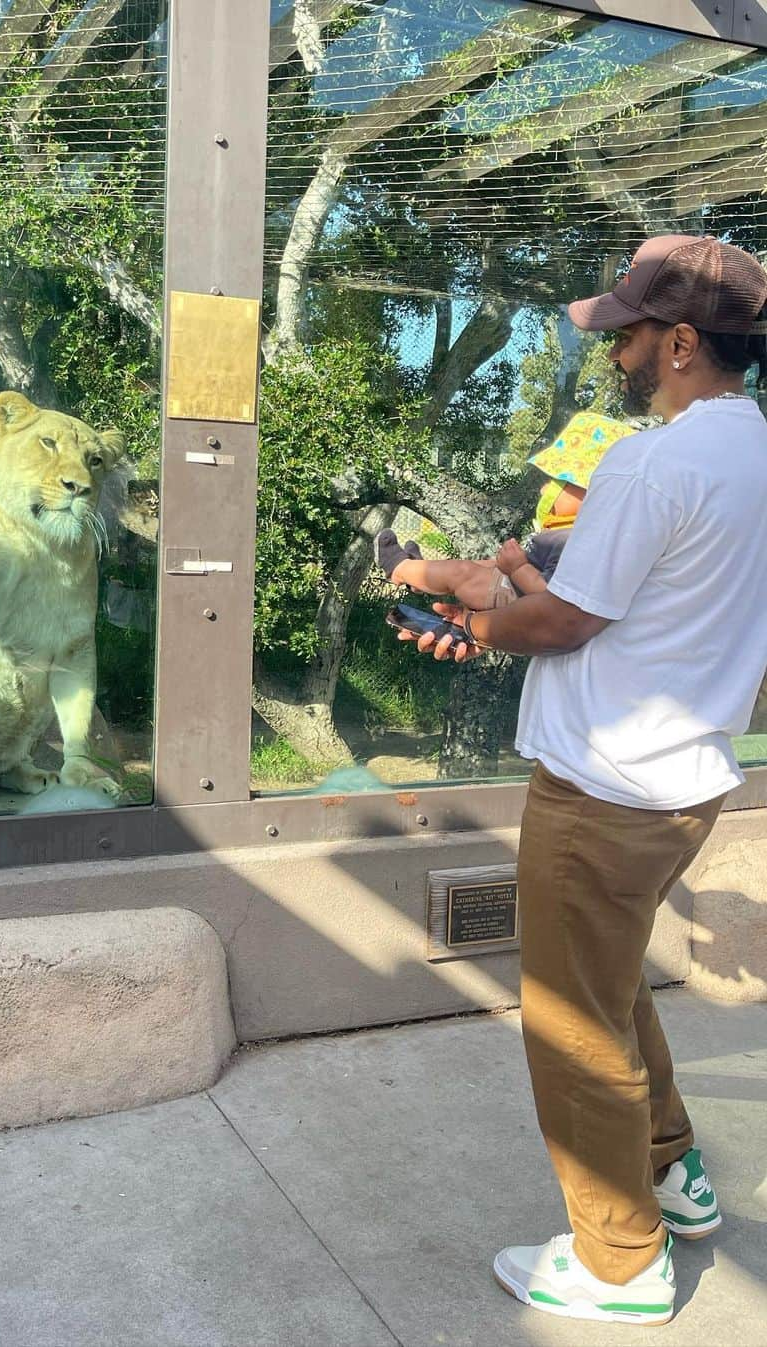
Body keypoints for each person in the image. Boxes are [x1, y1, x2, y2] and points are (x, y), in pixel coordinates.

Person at [400, 234, 767, 1326]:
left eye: (632, 335)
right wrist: (505, 578)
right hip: (685, 781)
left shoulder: (655, 460)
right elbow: (627, 598)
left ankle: (621, 1262)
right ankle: (674, 1174)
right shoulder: (749, 453)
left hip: (604, 789)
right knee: (608, 992)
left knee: (572, 1024)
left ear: (685, 343)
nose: (616, 353)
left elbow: (564, 622)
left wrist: (468, 615)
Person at [375, 412, 630, 608]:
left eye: (560, 481)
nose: (545, 490)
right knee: (480, 564)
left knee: (462, 572)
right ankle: (420, 573)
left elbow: (551, 597)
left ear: (596, 494)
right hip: (509, 583)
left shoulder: (576, 541)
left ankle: (398, 567)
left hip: (507, 593)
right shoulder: (574, 534)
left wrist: (518, 568)